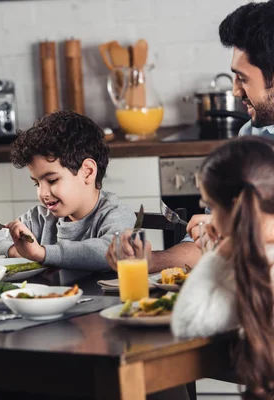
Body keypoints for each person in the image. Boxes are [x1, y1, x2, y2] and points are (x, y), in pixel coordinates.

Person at [107, 0, 274, 273]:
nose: (235, 91)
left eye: (242, 78)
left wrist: (236, 226)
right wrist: (152, 262)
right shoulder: (251, 139)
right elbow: (208, 242)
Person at [0, 110, 136, 284]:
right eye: (37, 183)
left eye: (52, 180)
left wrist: (42, 253)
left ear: (88, 172)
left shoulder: (116, 214)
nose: (43, 193)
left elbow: (110, 251)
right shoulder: (40, 219)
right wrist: (15, 250)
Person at [171, 135, 274, 399]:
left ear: (236, 208)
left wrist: (219, 254)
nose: (209, 219)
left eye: (211, 207)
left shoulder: (255, 264)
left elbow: (188, 323)